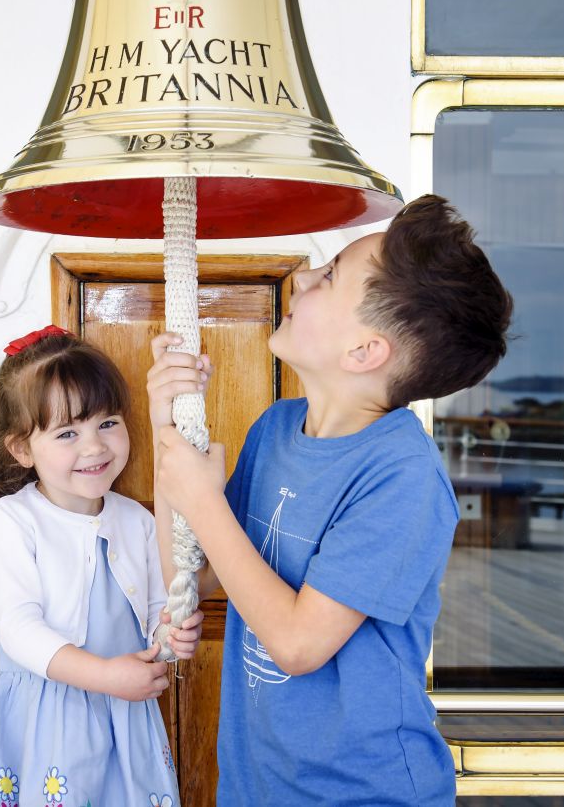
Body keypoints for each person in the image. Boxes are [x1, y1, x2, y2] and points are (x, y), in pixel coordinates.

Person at [147, 194, 513, 806]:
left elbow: (298, 646)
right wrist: (168, 430)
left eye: (330, 275)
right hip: (258, 785)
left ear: (364, 352)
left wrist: (203, 501)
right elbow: (195, 576)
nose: (301, 276)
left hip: (364, 793)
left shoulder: (404, 477)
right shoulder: (274, 427)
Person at [0, 325, 203, 807]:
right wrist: (105, 676)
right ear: (21, 449)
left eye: (107, 423)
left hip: (120, 725)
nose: (95, 447)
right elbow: (20, 630)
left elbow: (154, 612)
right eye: (68, 433)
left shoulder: (136, 520)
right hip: (40, 725)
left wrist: (168, 637)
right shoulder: (13, 521)